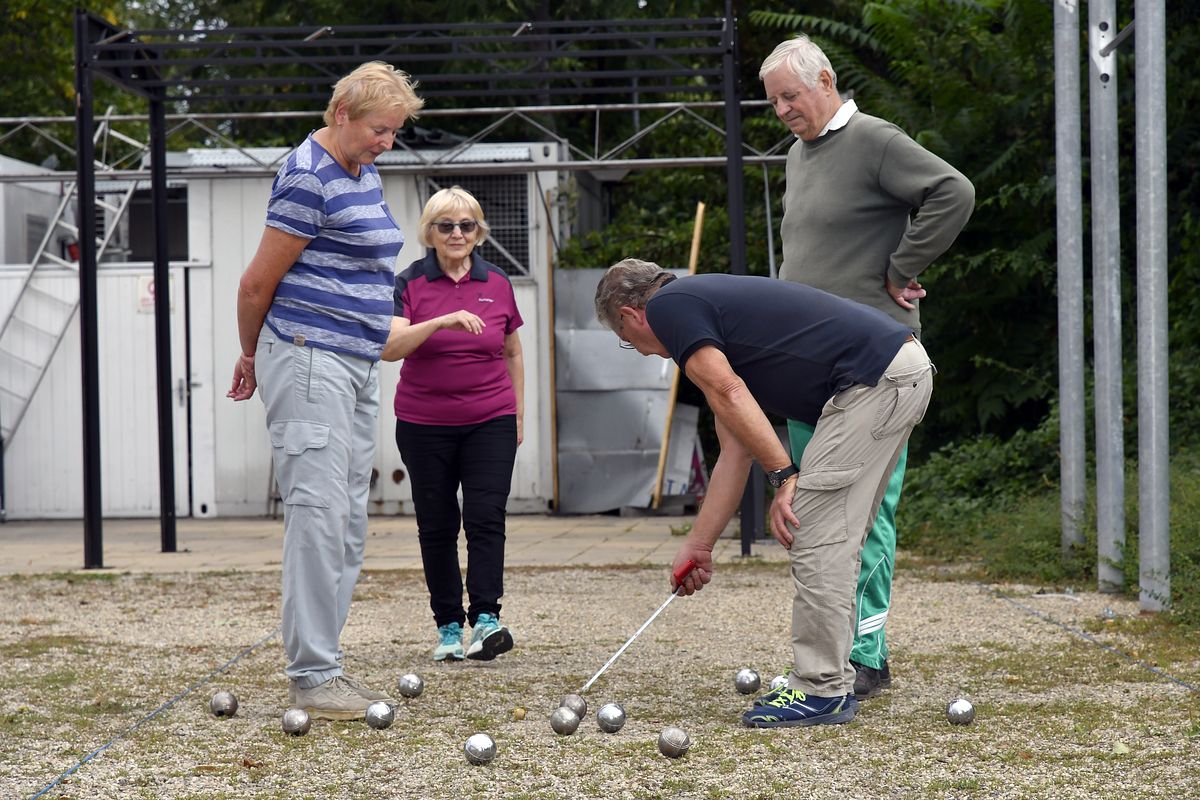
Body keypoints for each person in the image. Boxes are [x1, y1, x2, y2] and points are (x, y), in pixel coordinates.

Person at [596, 259, 934, 727]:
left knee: (814, 530)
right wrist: (699, 545)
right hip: (897, 371)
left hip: (875, 380)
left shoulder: (670, 307)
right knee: (835, 535)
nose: (643, 352)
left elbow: (729, 390)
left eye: (626, 340)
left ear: (629, 315)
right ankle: (835, 677)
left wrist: (784, 475)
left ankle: (821, 688)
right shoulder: (706, 316)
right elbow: (734, 452)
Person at [760, 35, 975, 700]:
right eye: (773, 102)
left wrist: (903, 267)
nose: (782, 111)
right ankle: (828, 649)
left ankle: (867, 654)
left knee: (867, 510)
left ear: (825, 81)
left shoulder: (874, 140)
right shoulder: (798, 154)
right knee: (814, 512)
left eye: (790, 96)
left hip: (871, 365)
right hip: (806, 367)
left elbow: (953, 191)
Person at [227, 61, 424, 720]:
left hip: (356, 362)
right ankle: (311, 674)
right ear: (342, 113)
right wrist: (251, 355)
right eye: (379, 130)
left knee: (348, 521)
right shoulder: (307, 177)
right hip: (310, 359)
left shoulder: (361, 171)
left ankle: (324, 663)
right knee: (317, 514)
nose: (386, 143)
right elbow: (256, 284)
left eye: (393, 132)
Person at [383, 186, 524, 663]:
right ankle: (447, 626)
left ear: (479, 231)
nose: (458, 234)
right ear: (430, 232)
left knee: (486, 517)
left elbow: (512, 352)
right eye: (446, 226)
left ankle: (486, 619)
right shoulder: (408, 283)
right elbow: (391, 347)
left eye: (467, 225)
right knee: (437, 524)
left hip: (491, 419)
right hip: (423, 424)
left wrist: (518, 413)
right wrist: (442, 321)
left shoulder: (497, 282)